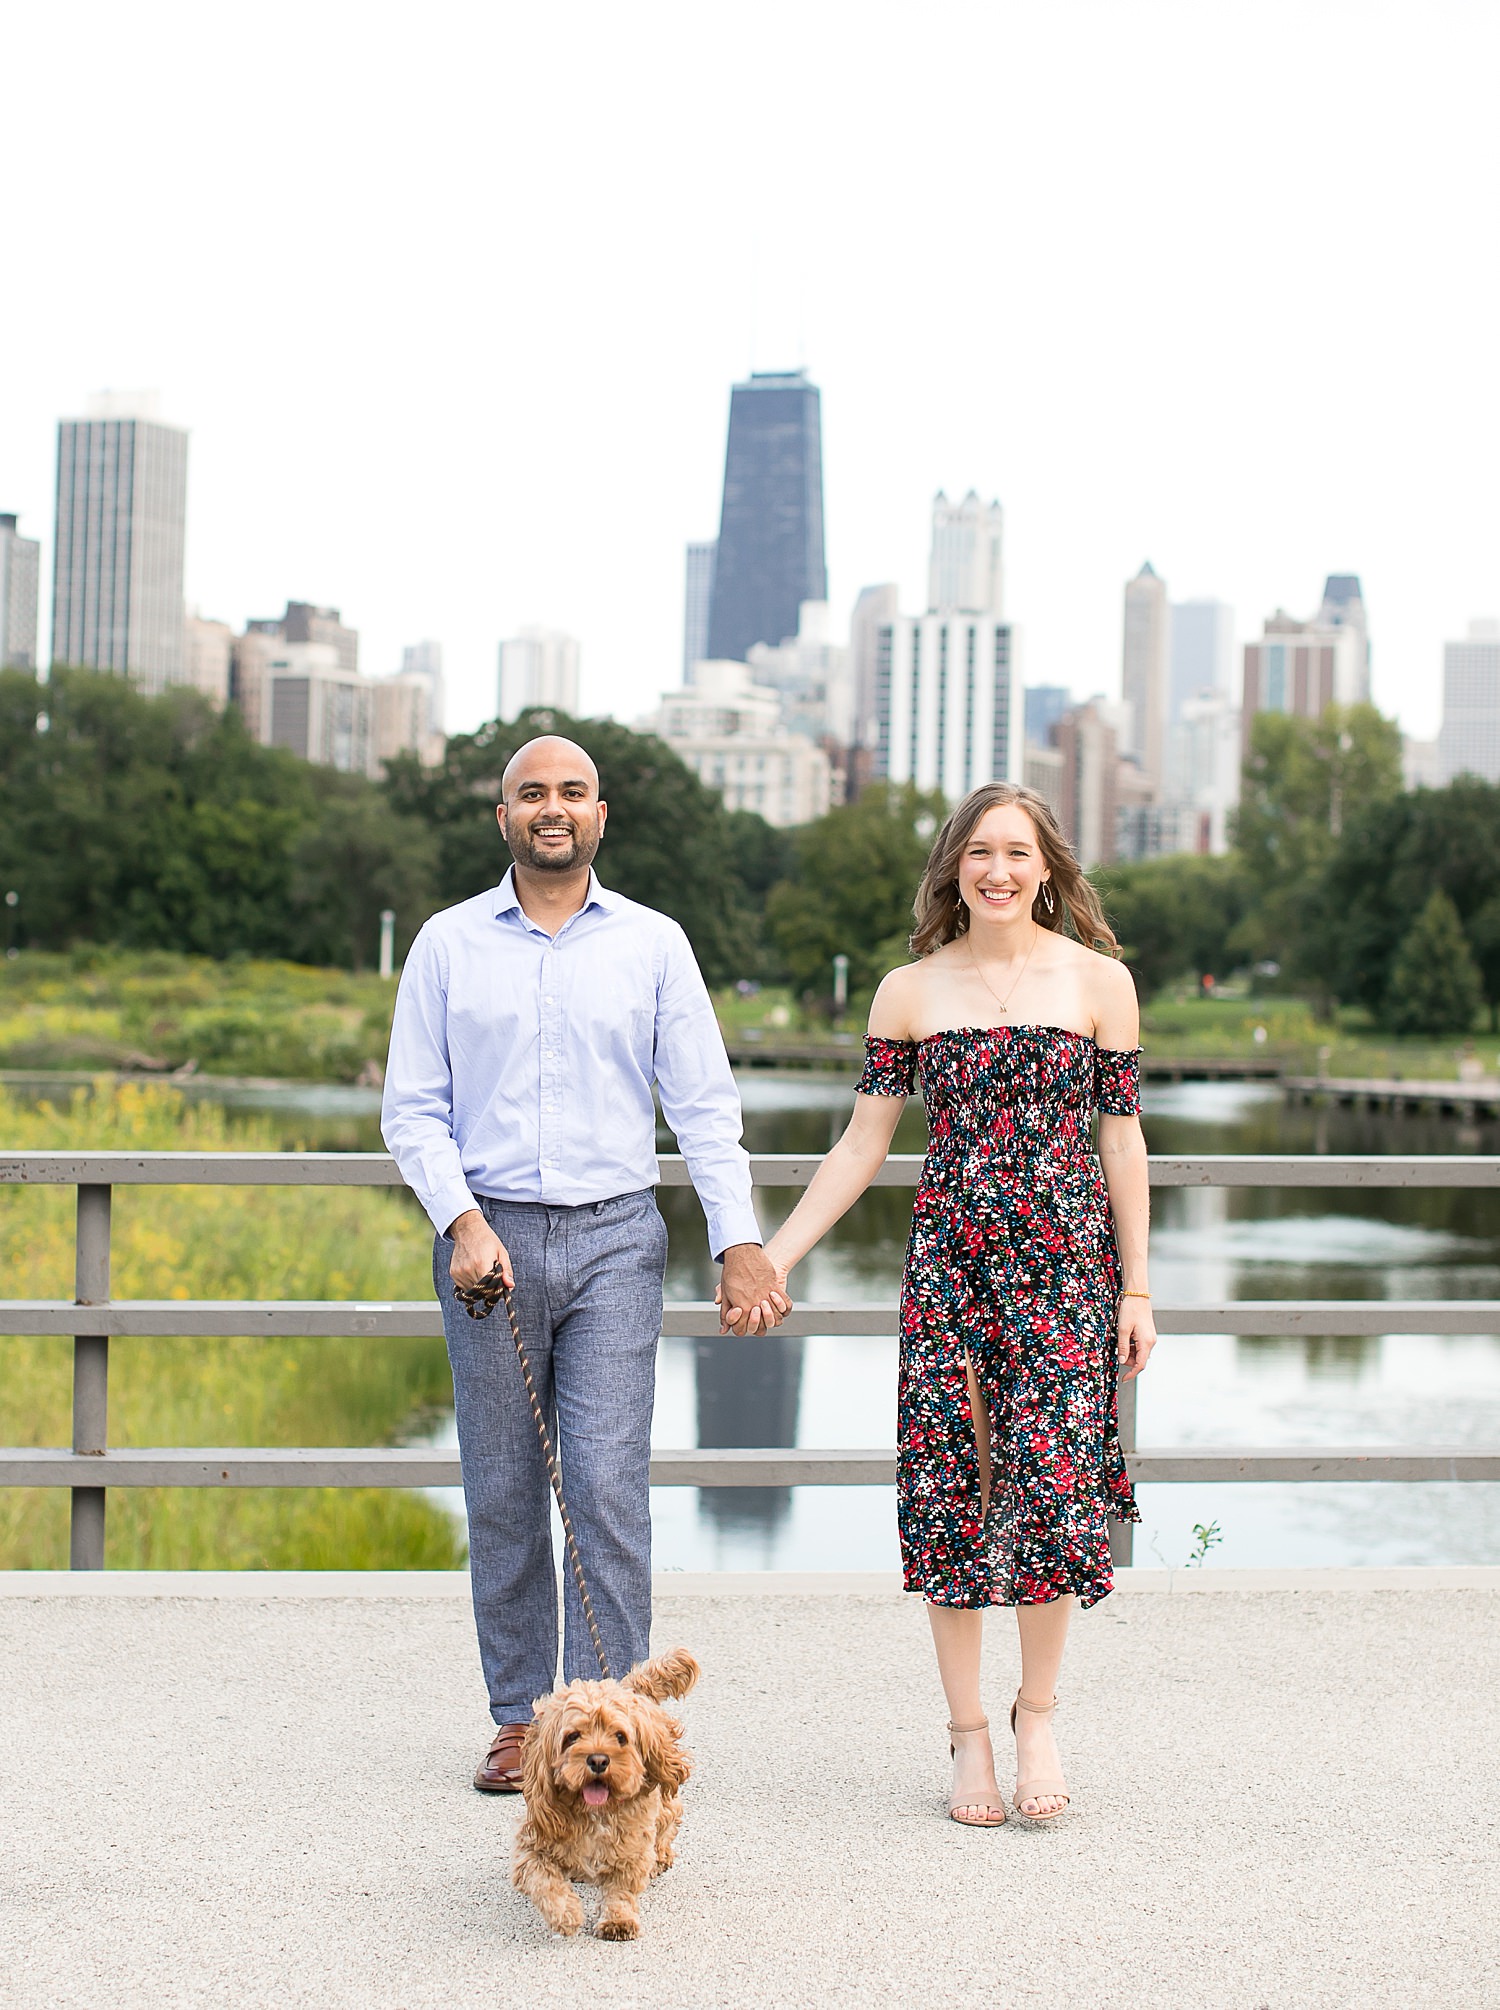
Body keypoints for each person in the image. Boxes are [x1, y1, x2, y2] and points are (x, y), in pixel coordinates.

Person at [381, 734, 786, 1794]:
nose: (550, 808)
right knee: (505, 1491)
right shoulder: (446, 944)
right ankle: (522, 1720)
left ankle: (616, 1724)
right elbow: (412, 1110)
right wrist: (462, 1221)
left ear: (601, 815)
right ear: (502, 818)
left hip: (617, 1238)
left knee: (605, 1487)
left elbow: (703, 1107)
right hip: (489, 1242)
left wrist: (738, 1240)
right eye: (530, 794)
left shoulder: (653, 945)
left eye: (570, 792)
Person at [744, 782, 1154, 1827]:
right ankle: (968, 1730)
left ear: (1050, 868)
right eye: (981, 853)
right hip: (952, 1276)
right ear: (954, 870)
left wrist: (1139, 1287)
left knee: (1055, 1497)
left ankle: (1038, 1713)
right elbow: (863, 1143)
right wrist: (772, 1255)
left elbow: (1122, 1140)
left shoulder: (1102, 985)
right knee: (955, 1498)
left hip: (1067, 1275)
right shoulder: (908, 993)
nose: (1000, 871)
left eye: (1019, 852)